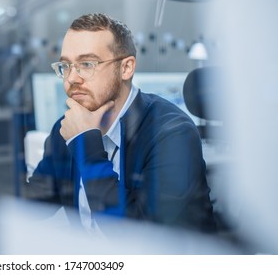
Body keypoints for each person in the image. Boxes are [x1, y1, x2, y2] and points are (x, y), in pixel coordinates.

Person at [28, 13, 216, 233]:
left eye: (87, 64)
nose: (71, 78)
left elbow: (144, 237)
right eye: (66, 65)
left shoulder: (172, 132)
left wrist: (85, 144)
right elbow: (36, 199)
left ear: (126, 68)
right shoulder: (67, 127)